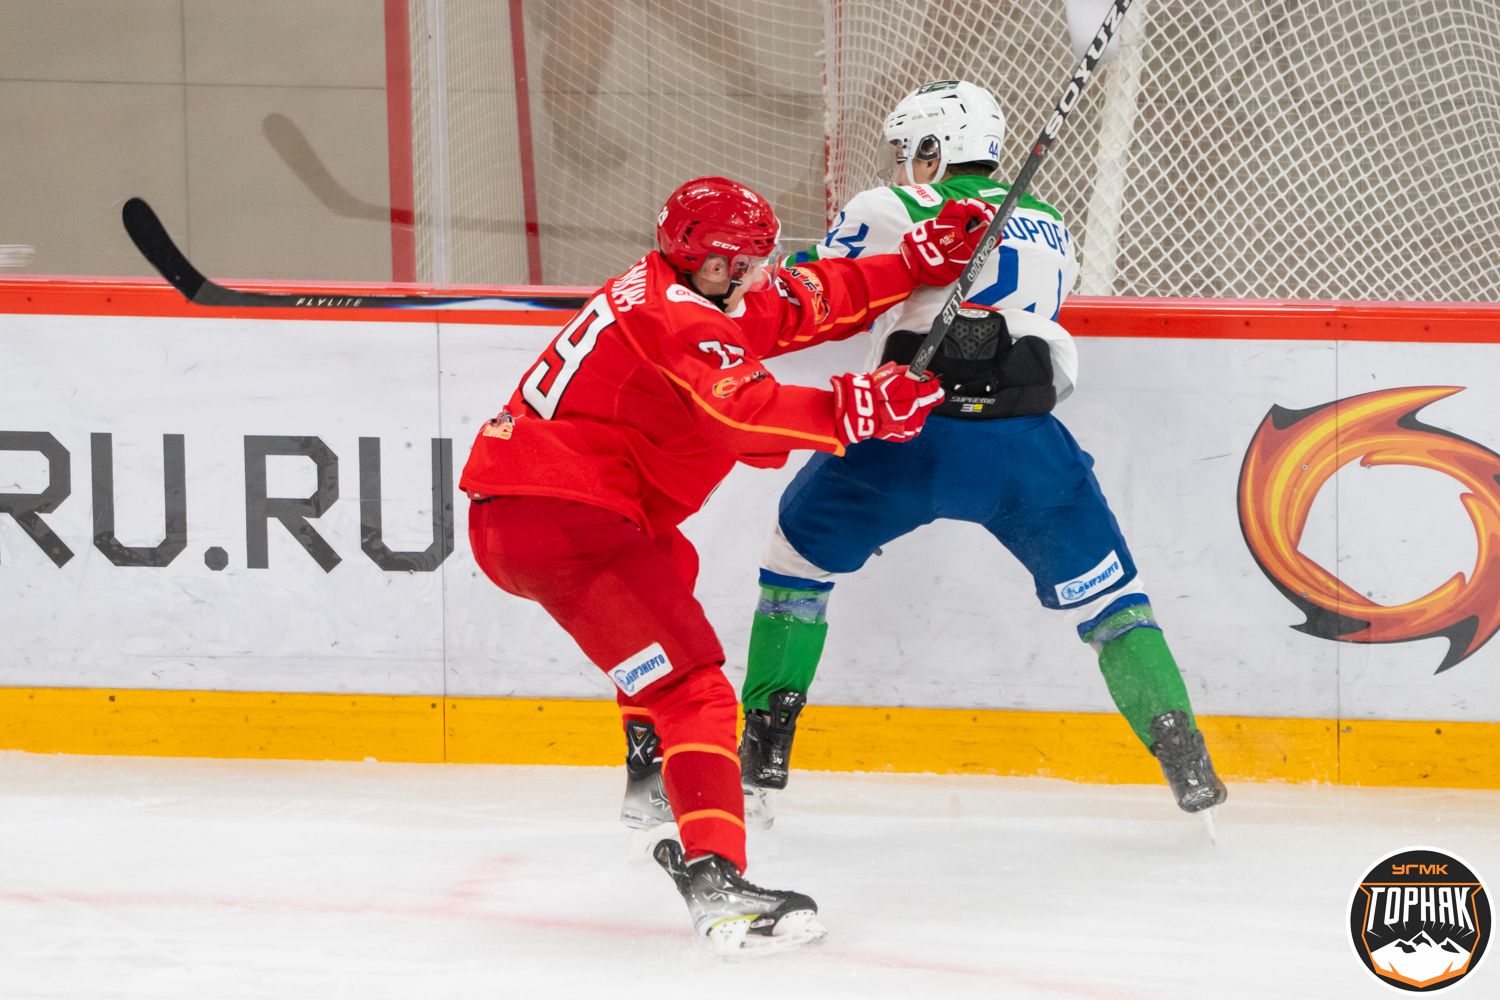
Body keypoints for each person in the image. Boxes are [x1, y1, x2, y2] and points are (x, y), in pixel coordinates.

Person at [460, 175, 991, 954]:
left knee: (670, 565)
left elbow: (804, 301)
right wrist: (854, 408)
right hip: (562, 518)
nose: (757, 274)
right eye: (742, 262)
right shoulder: (674, 316)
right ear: (707, 264)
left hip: (543, 510)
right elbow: (742, 410)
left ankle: (651, 766)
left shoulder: (688, 288)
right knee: (695, 690)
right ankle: (717, 878)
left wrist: (912, 263)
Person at [731, 80, 1228, 822]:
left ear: (935, 149)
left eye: (910, 150)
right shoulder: (1052, 224)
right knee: (1113, 602)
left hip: (905, 436)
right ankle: (1181, 750)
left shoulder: (887, 207)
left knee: (794, 568)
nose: (903, 163)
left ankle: (766, 746)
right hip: (1023, 448)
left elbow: (816, 289)